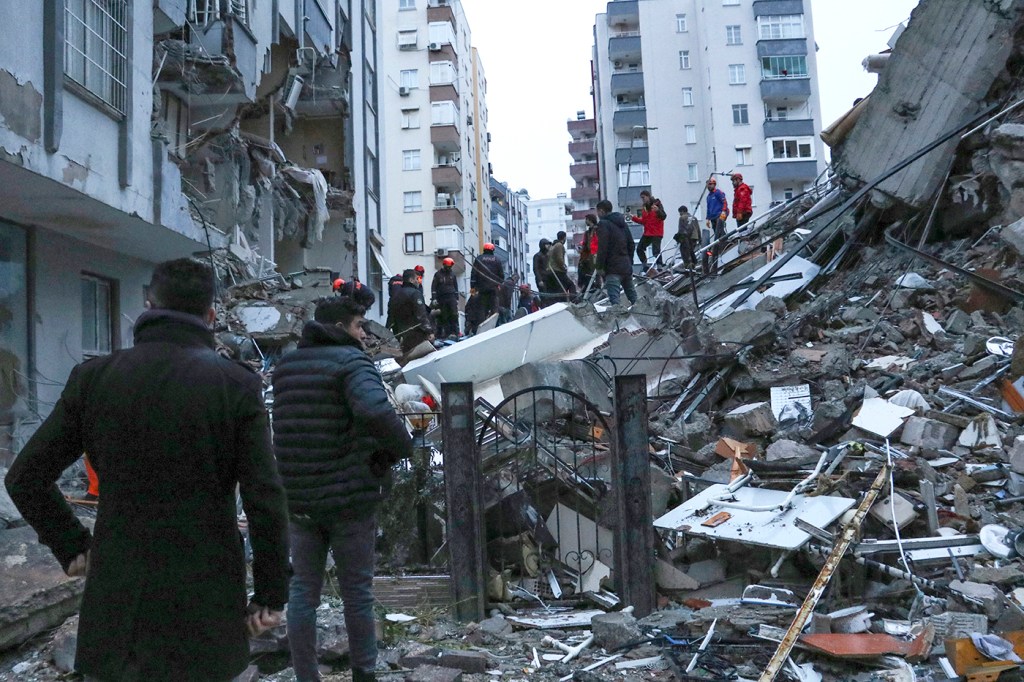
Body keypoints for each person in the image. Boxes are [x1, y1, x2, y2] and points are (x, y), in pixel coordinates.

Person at [5, 258, 290, 682]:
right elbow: (264, 498)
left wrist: (71, 545)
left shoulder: (94, 378)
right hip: (205, 601)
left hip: (120, 601)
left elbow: (24, 476)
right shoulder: (236, 385)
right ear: (211, 316)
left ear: (148, 304)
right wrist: (269, 594)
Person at [273, 296, 414, 682]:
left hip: (299, 498)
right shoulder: (352, 363)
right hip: (349, 499)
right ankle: (363, 673)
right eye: (358, 325)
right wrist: (399, 448)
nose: (363, 333)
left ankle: (305, 675)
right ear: (340, 328)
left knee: (303, 591)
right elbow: (374, 411)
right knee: (357, 592)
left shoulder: (285, 368)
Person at [595, 199, 637, 306]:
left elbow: (602, 247)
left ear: (602, 211)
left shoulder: (603, 224)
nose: (597, 215)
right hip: (626, 267)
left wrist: (599, 266)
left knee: (615, 303)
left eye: (598, 212)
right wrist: (629, 261)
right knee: (635, 300)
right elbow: (631, 244)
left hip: (612, 269)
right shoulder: (622, 223)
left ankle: (621, 321)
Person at [389, 269, 435, 354]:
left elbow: (391, 315)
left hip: (401, 333)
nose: (418, 282)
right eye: (417, 279)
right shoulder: (415, 294)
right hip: (416, 334)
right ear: (411, 280)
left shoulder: (396, 295)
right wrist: (429, 331)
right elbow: (421, 315)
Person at [630, 190, 666, 272]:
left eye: (643, 197)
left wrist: (658, 211)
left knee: (656, 250)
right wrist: (634, 218)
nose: (642, 199)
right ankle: (645, 266)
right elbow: (644, 221)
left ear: (648, 196)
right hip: (648, 232)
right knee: (639, 248)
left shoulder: (657, 204)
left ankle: (660, 267)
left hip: (657, 232)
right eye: (641, 198)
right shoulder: (645, 208)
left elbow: (663, 216)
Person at [470, 243, 505, 320]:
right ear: (493, 250)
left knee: (481, 308)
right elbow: (501, 276)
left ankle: (482, 323)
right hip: (493, 289)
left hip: (481, 289)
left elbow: (473, 274)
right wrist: (498, 284)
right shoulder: (497, 260)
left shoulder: (478, 259)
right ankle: (494, 322)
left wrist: (472, 288)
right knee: (494, 308)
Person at [704, 178, 729, 275]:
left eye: (710, 184)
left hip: (720, 215)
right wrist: (707, 218)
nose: (709, 186)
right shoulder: (709, 197)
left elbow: (724, 203)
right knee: (716, 231)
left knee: (720, 230)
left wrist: (723, 212)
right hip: (713, 217)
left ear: (714, 184)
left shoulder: (718, 193)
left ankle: (723, 243)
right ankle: (720, 244)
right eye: (708, 184)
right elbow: (708, 208)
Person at [430, 257, 460, 339]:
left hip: (451, 297)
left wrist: (457, 299)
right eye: (448, 267)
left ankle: (456, 332)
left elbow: (456, 287)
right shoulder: (438, 275)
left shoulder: (452, 275)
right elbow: (434, 287)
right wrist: (434, 298)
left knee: (454, 314)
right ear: (444, 265)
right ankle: (446, 334)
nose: (449, 268)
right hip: (442, 298)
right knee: (444, 316)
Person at [545, 231, 576, 304]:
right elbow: (559, 259)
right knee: (570, 285)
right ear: (564, 238)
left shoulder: (552, 246)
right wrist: (564, 267)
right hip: (557, 271)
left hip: (550, 272)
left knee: (558, 290)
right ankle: (574, 300)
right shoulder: (559, 245)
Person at [577, 215, 599, 293]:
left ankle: (598, 289)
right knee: (592, 275)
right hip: (590, 256)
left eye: (586, 219)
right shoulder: (588, 232)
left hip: (595, 255)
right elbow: (586, 245)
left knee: (597, 274)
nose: (585, 221)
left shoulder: (597, 230)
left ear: (590, 220)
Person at [674, 205, 700, 269]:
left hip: (687, 237)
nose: (679, 214)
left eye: (680, 212)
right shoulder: (694, 218)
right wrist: (700, 238)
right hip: (695, 237)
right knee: (691, 251)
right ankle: (694, 263)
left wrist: (680, 240)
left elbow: (681, 230)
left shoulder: (682, 218)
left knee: (685, 251)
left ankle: (688, 265)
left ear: (682, 211)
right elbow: (698, 228)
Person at [532, 239, 551, 306]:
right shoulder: (537, 256)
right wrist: (539, 280)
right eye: (546, 244)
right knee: (544, 297)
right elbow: (535, 269)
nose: (548, 246)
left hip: (548, 279)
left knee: (550, 297)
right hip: (542, 279)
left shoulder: (548, 256)